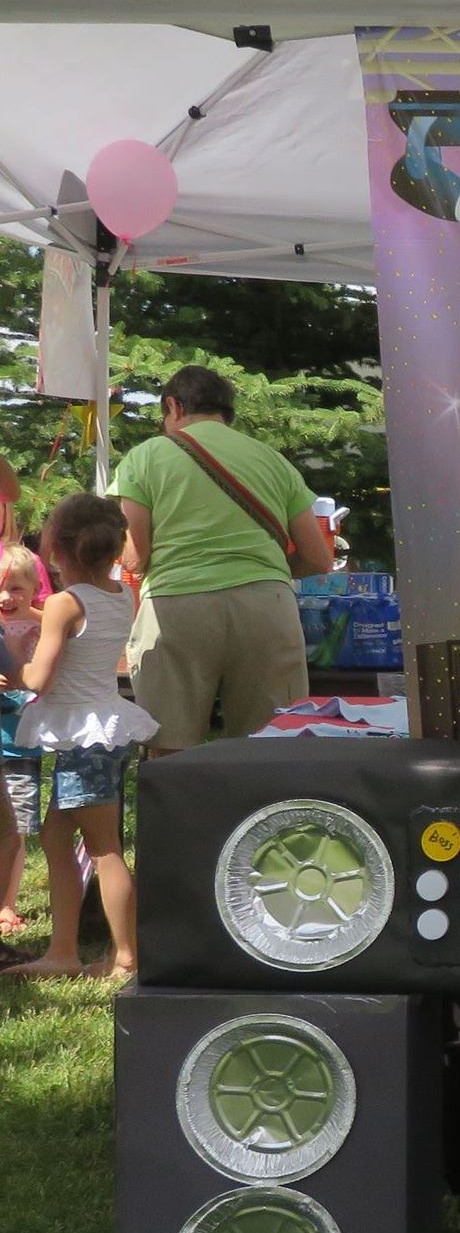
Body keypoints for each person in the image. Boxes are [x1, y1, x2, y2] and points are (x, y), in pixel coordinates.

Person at [111, 364, 335, 753]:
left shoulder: (144, 457)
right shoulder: (272, 459)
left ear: (174, 406)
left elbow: (134, 557)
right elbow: (318, 559)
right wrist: (266, 571)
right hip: (267, 608)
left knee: (170, 750)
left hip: (176, 607)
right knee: (267, 749)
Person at [1, 493, 155, 980]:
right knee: (55, 838)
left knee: (104, 848)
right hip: (104, 729)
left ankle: (126, 958)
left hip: (84, 738)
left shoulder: (64, 604)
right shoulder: (121, 594)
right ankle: (63, 951)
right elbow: (78, 641)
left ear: (55, 547)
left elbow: (39, 679)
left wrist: (12, 667)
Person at [0, 544, 46, 939]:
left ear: (34, 589)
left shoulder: (42, 626)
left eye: (16, 588)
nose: (6, 597)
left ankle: (6, 904)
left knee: (14, 831)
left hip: (20, 745)